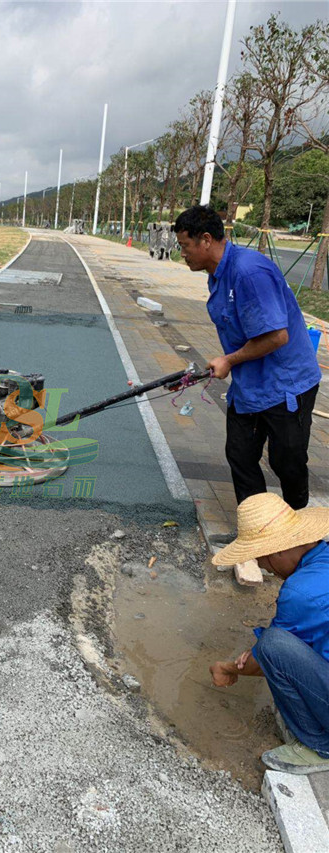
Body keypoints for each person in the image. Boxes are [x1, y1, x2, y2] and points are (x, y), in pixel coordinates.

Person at [175, 206, 321, 510]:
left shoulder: (249, 272)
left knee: (287, 462)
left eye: (184, 246)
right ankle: (256, 529)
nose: (182, 254)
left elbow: (277, 336)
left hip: (285, 384)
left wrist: (229, 360)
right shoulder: (218, 275)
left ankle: (299, 530)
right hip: (250, 385)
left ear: (205, 240)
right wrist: (230, 362)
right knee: (240, 455)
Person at [209, 492, 329, 774]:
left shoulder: (299, 593)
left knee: (272, 647)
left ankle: (320, 746)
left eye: (264, 564)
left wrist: (227, 668)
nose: (267, 570)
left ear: (277, 550)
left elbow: (269, 656)